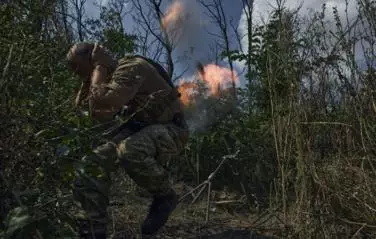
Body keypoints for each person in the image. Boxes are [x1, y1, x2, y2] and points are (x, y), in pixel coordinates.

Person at [66, 42, 189, 238]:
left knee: (130, 150)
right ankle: (92, 229)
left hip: (172, 130)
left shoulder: (130, 67)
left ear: (95, 59)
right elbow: (88, 111)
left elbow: (104, 100)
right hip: (140, 129)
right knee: (90, 164)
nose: (80, 76)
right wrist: (88, 79)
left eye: (80, 70)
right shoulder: (108, 78)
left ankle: (165, 196)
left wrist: (99, 67)